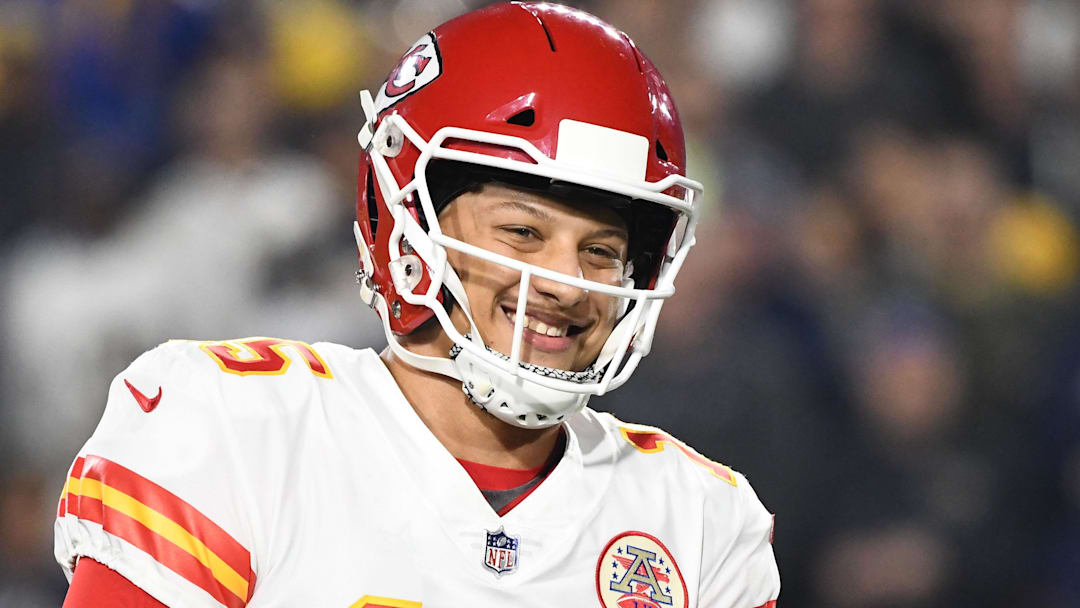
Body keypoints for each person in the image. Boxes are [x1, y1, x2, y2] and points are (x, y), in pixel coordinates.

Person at [54, 3, 780, 607]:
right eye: (523, 233)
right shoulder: (237, 432)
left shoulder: (700, 523)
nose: (567, 283)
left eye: (600, 251)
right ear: (407, 224)